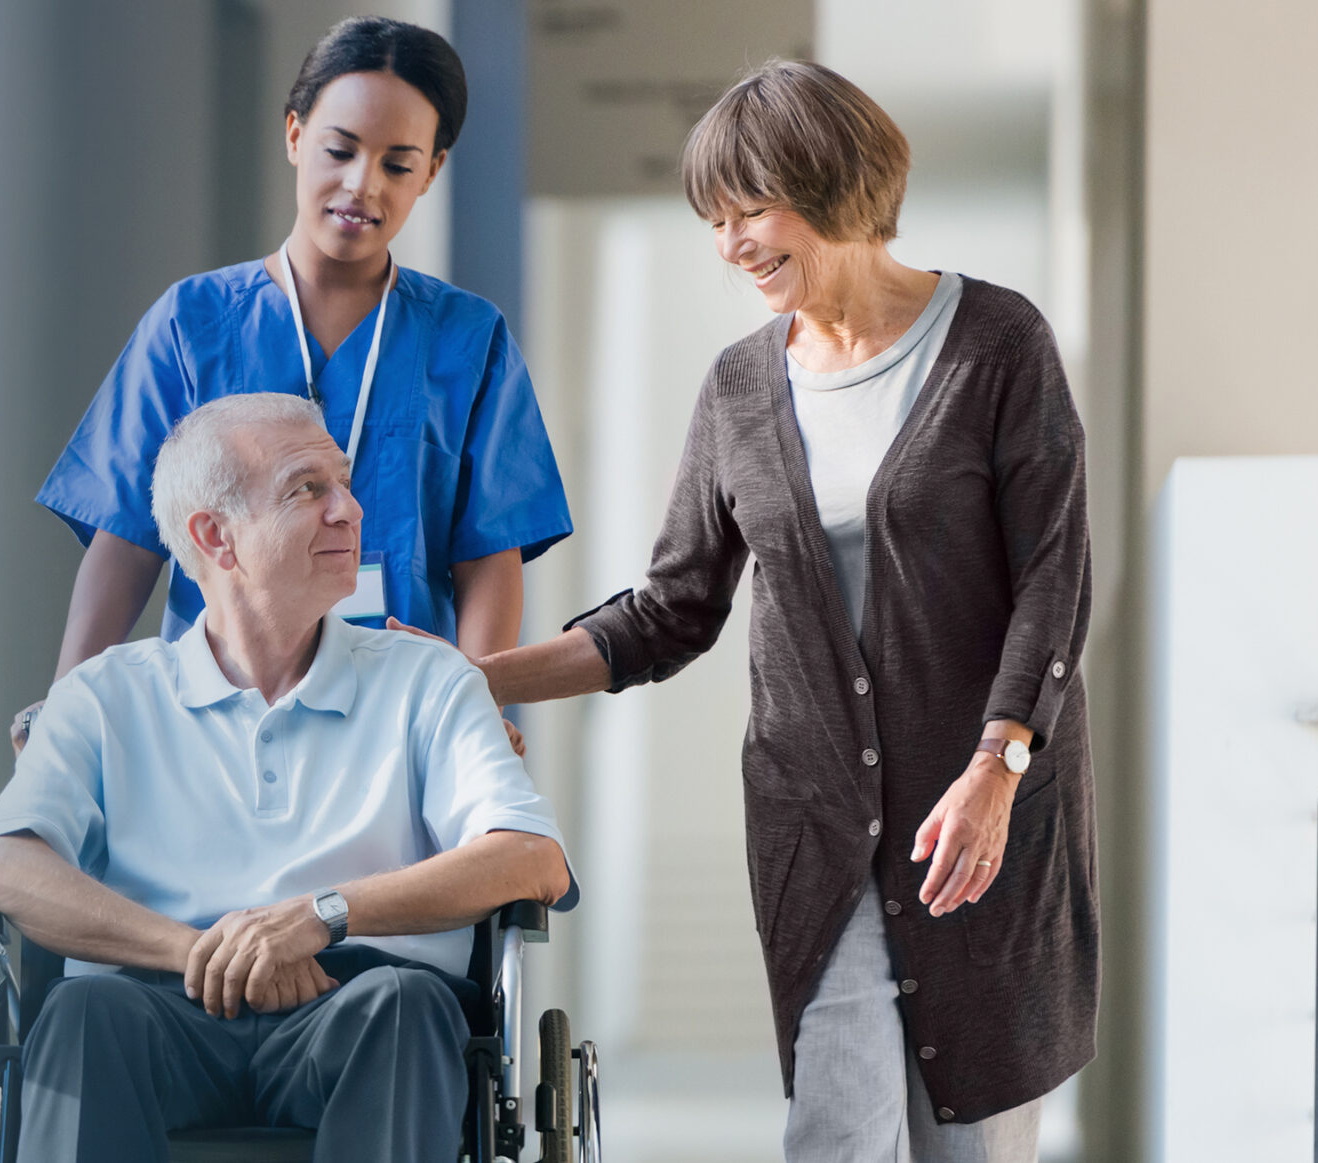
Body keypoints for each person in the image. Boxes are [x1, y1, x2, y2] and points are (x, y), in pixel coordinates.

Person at [431, 61, 1096, 1162]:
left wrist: (998, 766)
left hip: (981, 827)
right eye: (715, 219)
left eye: (751, 209)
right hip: (815, 823)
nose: (732, 242)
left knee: (967, 1145)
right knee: (832, 1132)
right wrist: (478, 673)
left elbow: (1053, 578)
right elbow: (670, 608)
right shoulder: (739, 387)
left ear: (834, 184)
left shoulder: (993, 345)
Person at [0, 393, 576, 1162]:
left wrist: (321, 916)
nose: (348, 510)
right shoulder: (106, 695)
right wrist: (196, 951)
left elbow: (531, 856)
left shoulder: (429, 680)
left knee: (406, 1005)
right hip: (155, 999)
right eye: (306, 489)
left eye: (343, 484)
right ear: (215, 535)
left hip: (358, 999)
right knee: (83, 1014)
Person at [14, 15, 572, 750]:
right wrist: (70, 708)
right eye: (340, 149)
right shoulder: (192, 324)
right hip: (215, 722)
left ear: (433, 172)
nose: (361, 184)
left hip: (398, 724)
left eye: (398, 165)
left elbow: (487, 557)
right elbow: (125, 540)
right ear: (294, 134)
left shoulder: (469, 340)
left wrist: (472, 704)